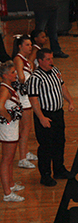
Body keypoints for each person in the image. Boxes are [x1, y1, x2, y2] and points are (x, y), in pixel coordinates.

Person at [27, 48, 75, 187]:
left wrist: (70, 101)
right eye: (48, 59)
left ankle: (59, 169)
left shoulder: (55, 70)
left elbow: (63, 87)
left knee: (60, 141)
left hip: (58, 113)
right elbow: (34, 100)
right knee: (46, 146)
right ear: (40, 61)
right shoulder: (35, 78)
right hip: (45, 114)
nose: (51, 61)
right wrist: (41, 117)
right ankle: (45, 175)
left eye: (51, 58)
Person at [0, 61, 24, 202]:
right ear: (5, 75)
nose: (16, 74)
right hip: (7, 128)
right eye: (13, 72)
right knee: (6, 160)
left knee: (10, 159)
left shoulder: (8, 87)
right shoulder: (4, 89)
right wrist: (8, 118)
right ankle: (7, 193)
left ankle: (11, 184)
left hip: (11, 127)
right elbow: (0, 106)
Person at [11, 36, 37, 170]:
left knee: (27, 127)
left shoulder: (26, 60)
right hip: (23, 98)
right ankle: (22, 158)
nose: (30, 47)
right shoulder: (18, 59)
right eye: (27, 45)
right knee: (25, 128)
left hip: (26, 97)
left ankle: (25, 152)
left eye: (30, 44)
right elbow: (20, 77)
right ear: (20, 46)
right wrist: (29, 84)